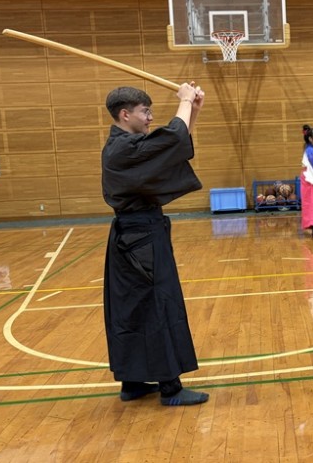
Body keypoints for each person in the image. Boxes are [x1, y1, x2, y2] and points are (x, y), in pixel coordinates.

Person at [101, 83, 209, 406]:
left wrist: (193, 111)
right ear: (125, 114)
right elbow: (170, 141)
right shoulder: (123, 149)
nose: (150, 118)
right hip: (140, 241)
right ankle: (170, 388)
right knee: (158, 306)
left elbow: (169, 150)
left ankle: (132, 381)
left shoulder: (126, 146)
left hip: (135, 238)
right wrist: (185, 100)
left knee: (133, 309)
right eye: (145, 112)